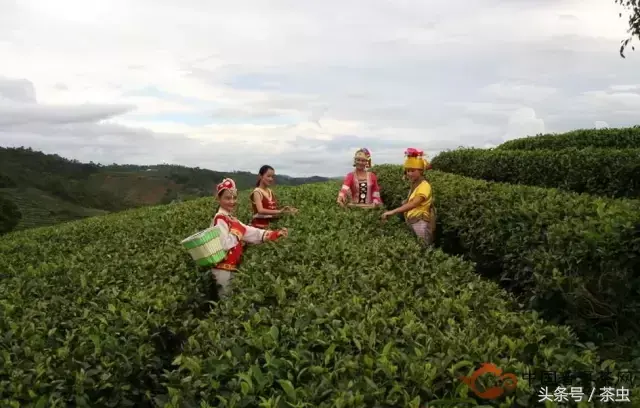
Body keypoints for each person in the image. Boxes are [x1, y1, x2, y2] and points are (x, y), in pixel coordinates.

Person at [210, 178, 288, 297]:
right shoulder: (220, 218)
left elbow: (249, 232)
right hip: (222, 270)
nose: (232, 201)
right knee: (226, 300)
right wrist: (238, 231)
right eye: (227, 198)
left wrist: (274, 234)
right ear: (218, 199)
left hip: (231, 267)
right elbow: (224, 244)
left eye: (234, 198)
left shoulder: (230, 218)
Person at [380, 148, 436, 246]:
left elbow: (414, 203)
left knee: (424, 248)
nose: (409, 174)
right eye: (407, 171)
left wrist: (393, 211)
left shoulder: (424, 186)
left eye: (412, 171)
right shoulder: (415, 184)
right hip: (413, 221)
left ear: (421, 171)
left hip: (420, 222)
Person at [250, 165, 298, 229]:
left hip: (272, 225)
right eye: (268, 176)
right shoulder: (257, 192)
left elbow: (273, 209)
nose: (271, 179)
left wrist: (287, 211)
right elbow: (260, 210)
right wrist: (280, 211)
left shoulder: (270, 191)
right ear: (260, 176)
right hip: (259, 227)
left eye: (272, 177)